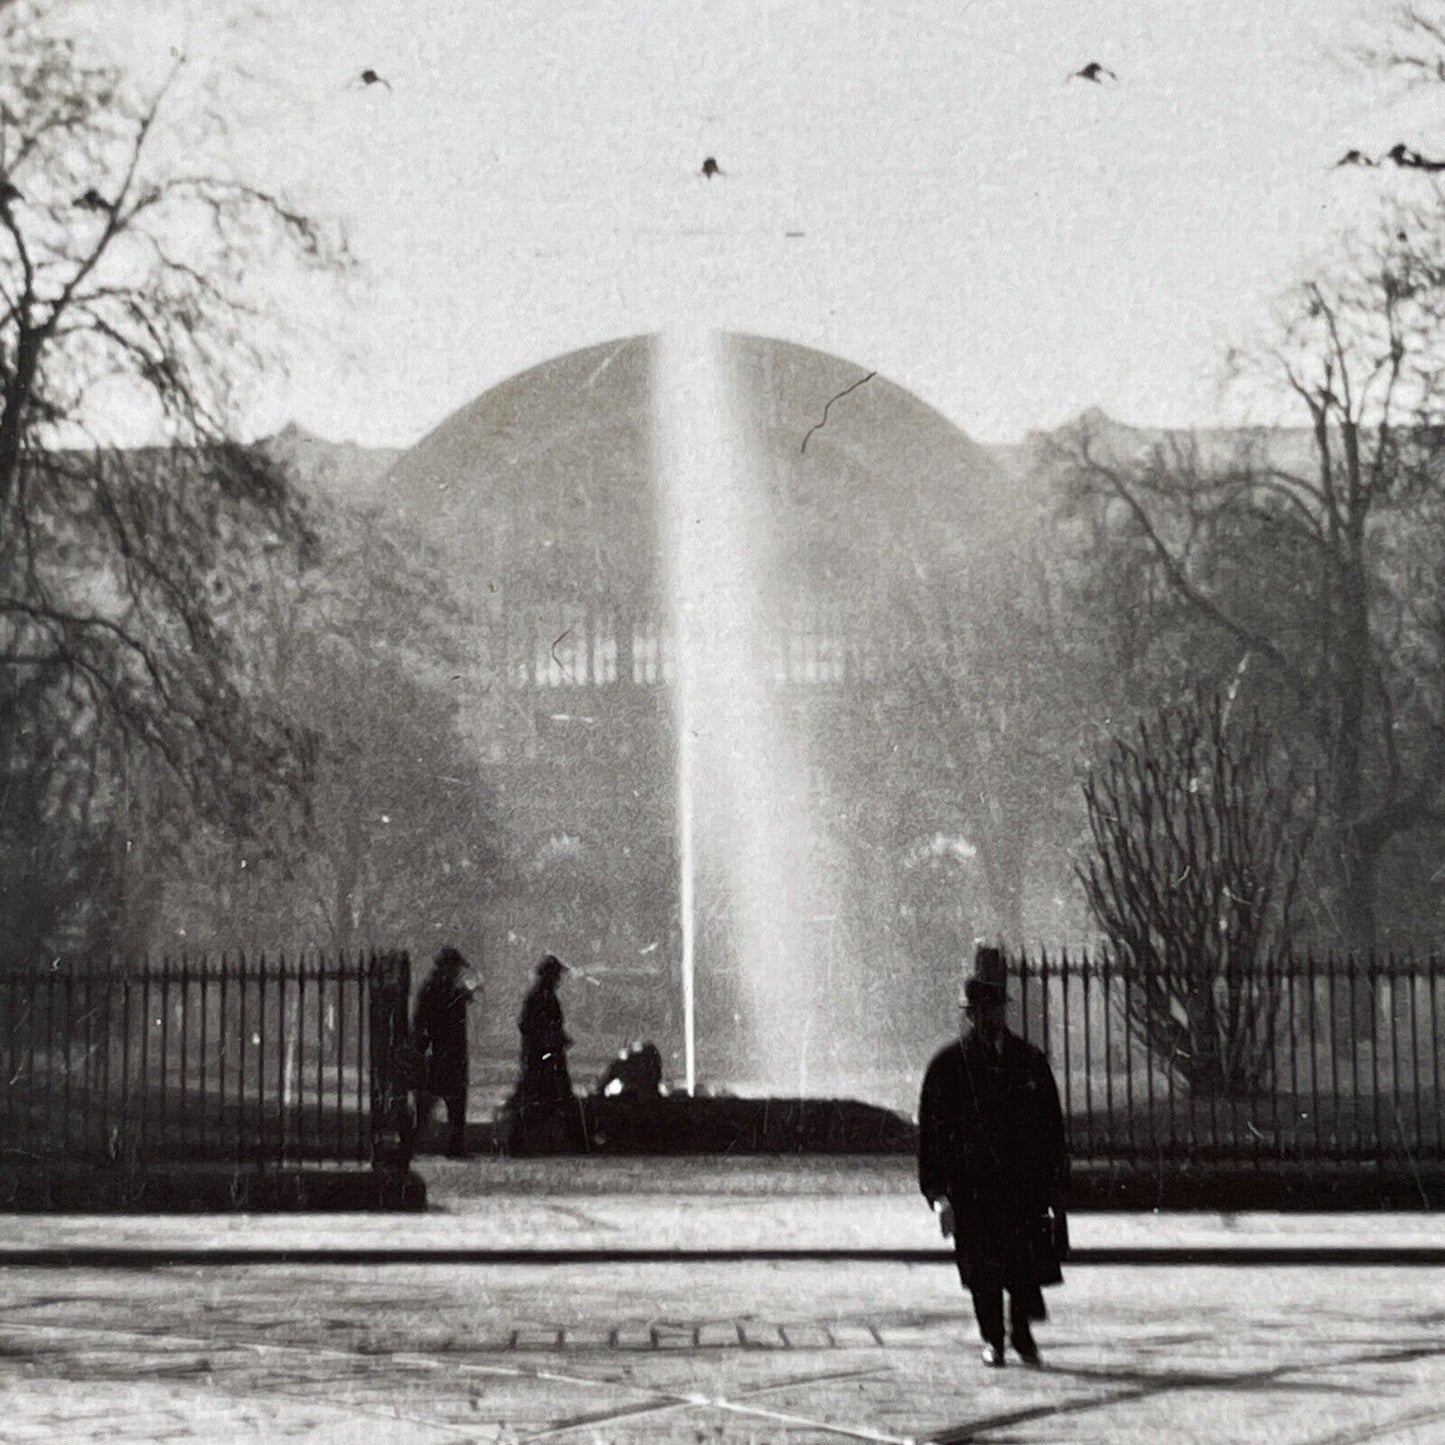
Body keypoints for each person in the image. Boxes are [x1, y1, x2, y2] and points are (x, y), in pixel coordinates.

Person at [918, 945, 1068, 1369]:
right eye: (981, 1010)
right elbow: (931, 1135)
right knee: (983, 1272)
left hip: (1022, 1185)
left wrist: (1055, 1184)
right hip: (974, 1187)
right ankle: (993, 1340)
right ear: (969, 1015)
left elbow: (1051, 1128)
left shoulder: (1029, 1062)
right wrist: (937, 1193)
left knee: (1023, 1270)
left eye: (996, 1008)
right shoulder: (948, 1065)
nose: (990, 1017)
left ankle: (1021, 1335)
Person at [508, 953, 580, 1152]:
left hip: (544, 1054)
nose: (559, 979)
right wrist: (549, 1042)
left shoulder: (541, 995)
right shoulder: (541, 996)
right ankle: (523, 1140)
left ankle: (534, 1140)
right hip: (543, 1056)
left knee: (539, 1096)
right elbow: (532, 1027)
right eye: (557, 975)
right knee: (541, 1096)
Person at [412, 945, 478, 1158]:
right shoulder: (439, 988)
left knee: (444, 1103)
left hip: (443, 1054)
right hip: (442, 1053)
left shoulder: (438, 987)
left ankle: (450, 1145)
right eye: (456, 967)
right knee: (437, 1102)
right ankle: (413, 1143)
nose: (458, 972)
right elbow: (436, 1019)